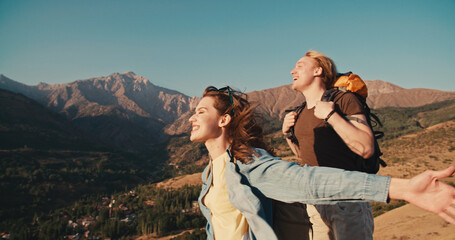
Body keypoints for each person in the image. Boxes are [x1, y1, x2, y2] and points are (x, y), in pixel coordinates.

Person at [189, 85, 455, 240]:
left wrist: (401, 189)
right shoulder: (209, 173)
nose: (192, 117)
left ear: (224, 120)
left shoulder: (247, 163)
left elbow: (309, 182)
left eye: (201, 111)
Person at [281, 50, 376, 240]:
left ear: (318, 71)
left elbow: (366, 147)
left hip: (347, 200)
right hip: (315, 202)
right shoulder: (298, 113)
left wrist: (331, 116)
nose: (292, 71)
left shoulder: (343, 100)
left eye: (300, 66)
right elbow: (304, 157)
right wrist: (288, 135)